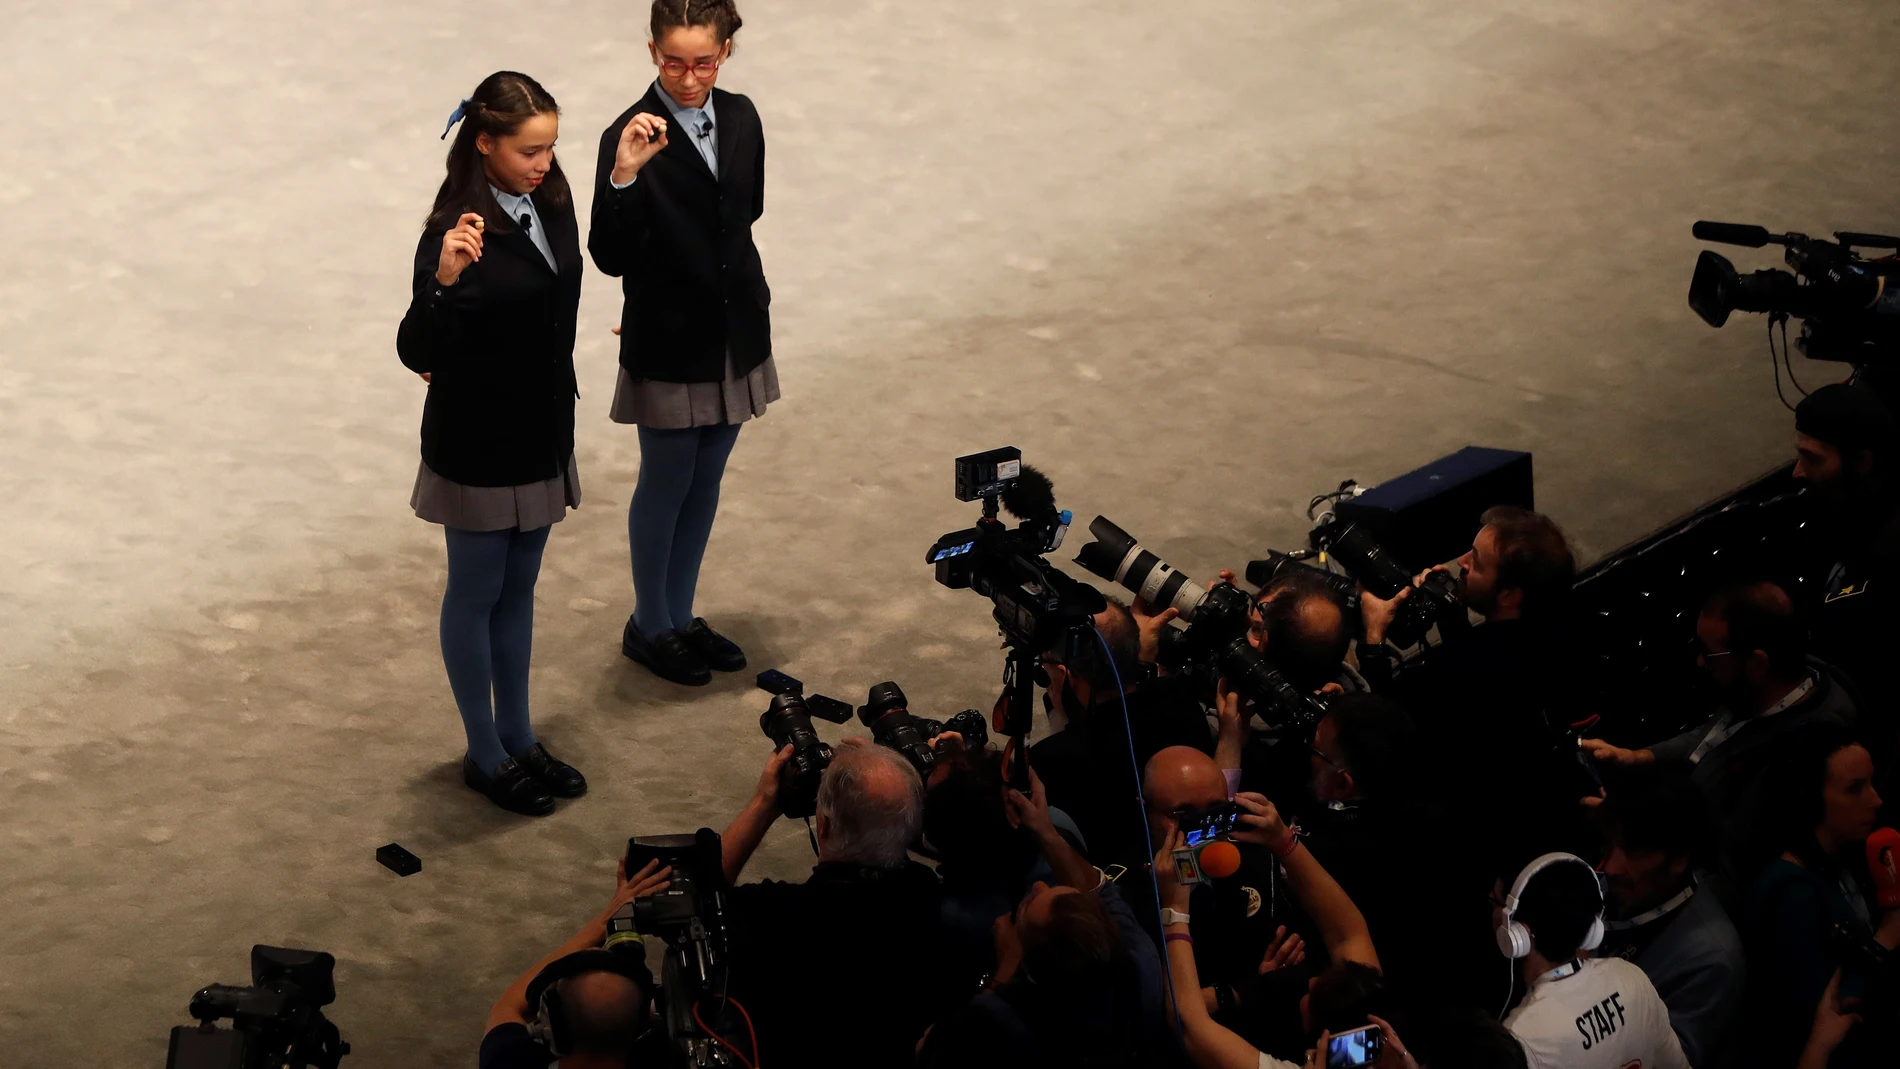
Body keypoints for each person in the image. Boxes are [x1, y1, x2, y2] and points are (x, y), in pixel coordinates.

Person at [397, 71, 588, 816]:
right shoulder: (452, 231)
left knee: (520, 591)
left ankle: (518, 731)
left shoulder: (556, 200)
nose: (543, 163)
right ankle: (484, 750)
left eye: (550, 147)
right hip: (479, 444)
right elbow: (417, 347)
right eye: (528, 150)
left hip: (541, 430)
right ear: (485, 143)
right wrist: (443, 282)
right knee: (477, 592)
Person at [588, 0, 773, 687]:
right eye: (673, 60)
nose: (689, 77)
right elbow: (608, 252)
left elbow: (744, 211)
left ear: (726, 51)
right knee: (666, 481)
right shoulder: (626, 133)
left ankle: (682, 613)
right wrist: (625, 176)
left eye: (703, 61)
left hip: (735, 330)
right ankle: (651, 623)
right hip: (669, 340)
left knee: (706, 478)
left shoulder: (744, 117)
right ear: (651, 51)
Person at [1583, 579, 1860, 896]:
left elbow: (1732, 846)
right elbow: (1716, 733)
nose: (1700, 662)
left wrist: (1631, 827)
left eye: (1709, 653)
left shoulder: (1809, 750)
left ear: (1756, 663)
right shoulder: (1769, 685)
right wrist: (1639, 757)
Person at [1356, 507, 1590, 871]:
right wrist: (1454, 616)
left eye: (1476, 563)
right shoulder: (1556, 633)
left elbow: (1389, 726)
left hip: (1467, 832)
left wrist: (1373, 638)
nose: (1461, 561)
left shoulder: (1467, 674)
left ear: (1510, 595)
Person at [716, 739, 956, 1068]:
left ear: (823, 824)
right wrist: (883, 768)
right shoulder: (923, 890)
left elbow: (704, 890)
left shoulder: (773, 915)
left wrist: (764, 803)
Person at [917, 766, 1166, 1068]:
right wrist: (1046, 830)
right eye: (1060, 891)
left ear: (1028, 963)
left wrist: (1004, 970)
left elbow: (932, 1045)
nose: (1037, 886)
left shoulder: (1004, 1026)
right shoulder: (1141, 962)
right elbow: (1097, 888)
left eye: (1028, 904)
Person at [1154, 792, 1383, 1069]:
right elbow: (1349, 932)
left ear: (1319, 1044)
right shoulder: (1374, 1032)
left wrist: (1174, 906)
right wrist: (1283, 841)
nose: (1307, 982)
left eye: (1311, 993)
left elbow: (1189, 1024)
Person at [1742, 728, 1899, 1068]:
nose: (1876, 799)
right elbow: (1834, 1014)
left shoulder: (1850, 854)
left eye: (1871, 782)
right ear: (1810, 801)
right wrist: (1888, 935)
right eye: (1855, 789)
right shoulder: (1790, 896)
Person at [1295, 694, 1456, 1005]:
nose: (1308, 754)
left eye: (1314, 748)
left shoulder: (1325, 859)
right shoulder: (1440, 820)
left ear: (1344, 785)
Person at [1031, 599, 1211, 868]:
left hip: (1116, 892)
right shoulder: (1184, 703)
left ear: (1067, 677)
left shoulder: (1052, 760)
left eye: (1044, 674)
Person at [1595, 770, 1746, 1069]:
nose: (1611, 868)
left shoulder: (1711, 961)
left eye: (1633, 852)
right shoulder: (1603, 887)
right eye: (1611, 845)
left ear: (1679, 858)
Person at [1789, 383, 1900, 770]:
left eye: (1812, 459)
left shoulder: (1890, 557)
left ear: (1862, 462)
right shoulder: (1840, 513)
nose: (1797, 471)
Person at [1492, 852, 1689, 1069]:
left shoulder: (1521, 1038)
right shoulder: (1632, 977)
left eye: (1495, 901)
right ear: (1592, 930)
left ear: (1519, 934)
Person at [479, 859, 673, 1068]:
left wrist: (604, 920)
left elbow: (507, 1005)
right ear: (644, 1023)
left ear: (550, 1026)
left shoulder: (507, 1060)